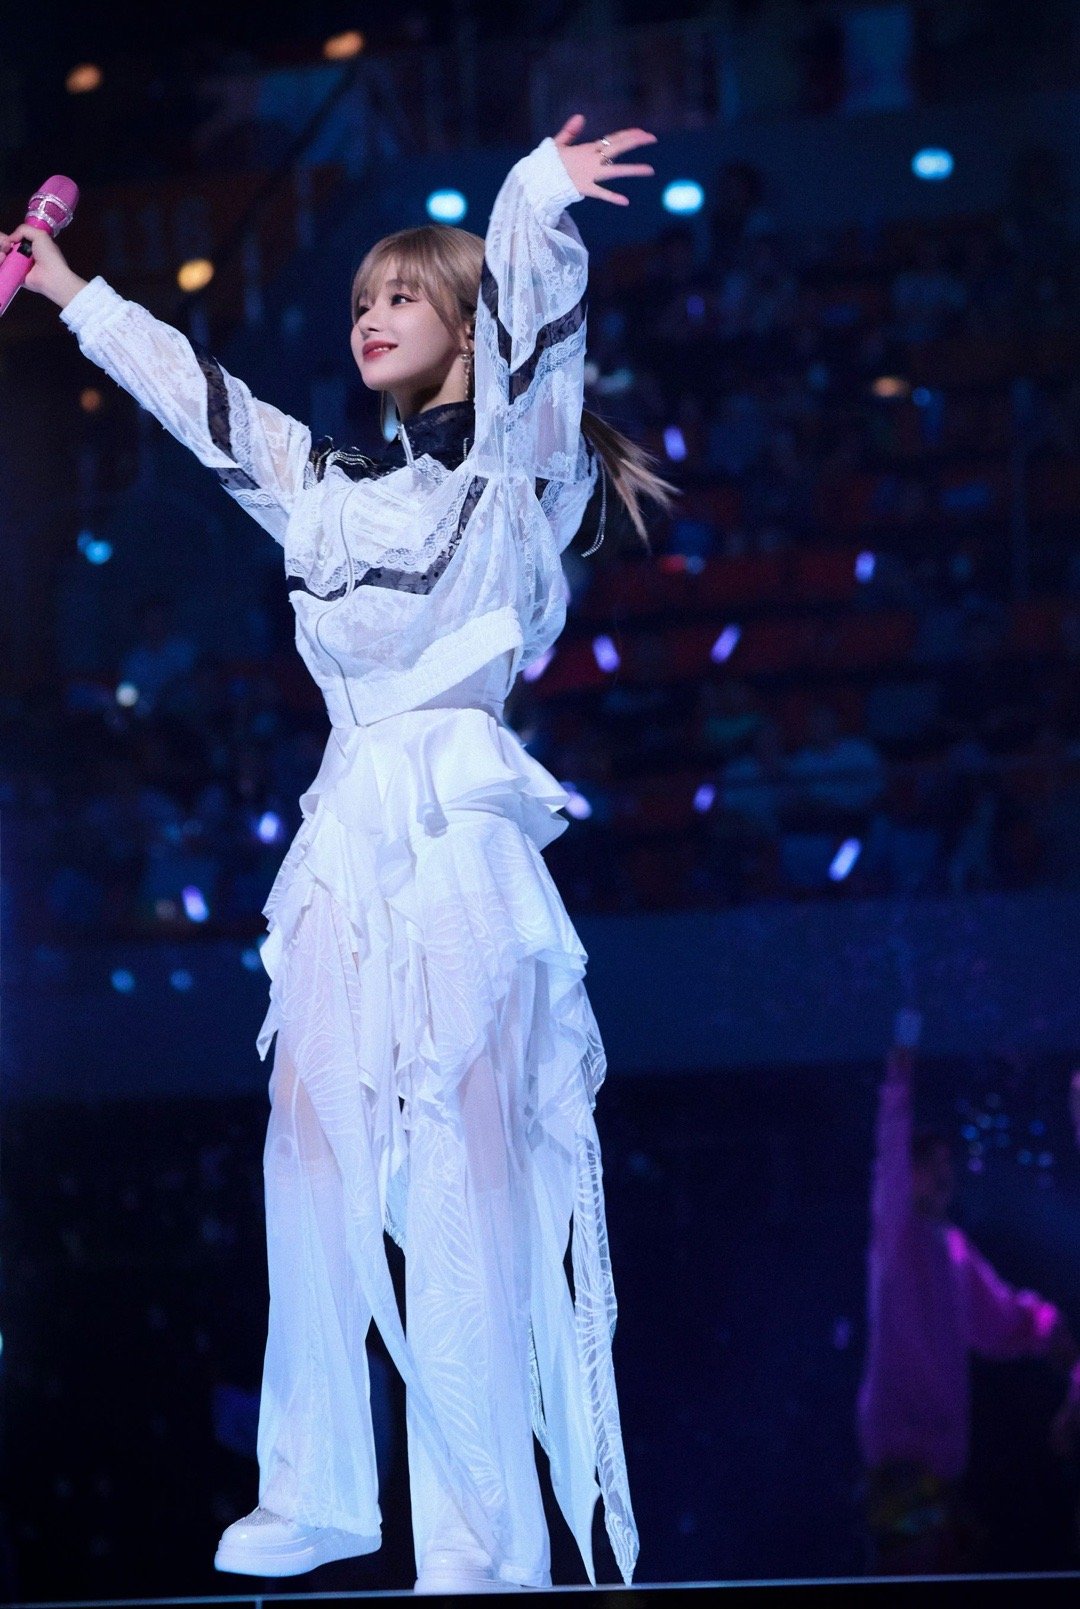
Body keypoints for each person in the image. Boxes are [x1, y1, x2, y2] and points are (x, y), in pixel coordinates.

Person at [7, 114, 672, 1592]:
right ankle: (317, 1486)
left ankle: (481, 1544)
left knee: (464, 1189)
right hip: (344, 843)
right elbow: (201, 403)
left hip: (458, 841)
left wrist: (531, 194)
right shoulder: (325, 490)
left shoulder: (507, 477)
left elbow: (539, 351)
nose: (371, 313)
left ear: (464, 326)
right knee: (306, 1143)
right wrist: (66, 290)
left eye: (405, 294)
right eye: (363, 295)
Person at [858, 1010, 1079, 1573]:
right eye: (930, 1166)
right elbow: (889, 1152)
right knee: (912, 1578)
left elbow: (1002, 1318)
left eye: (947, 1165)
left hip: (941, 1469)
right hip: (901, 1462)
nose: (944, 1175)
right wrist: (900, 1071)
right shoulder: (895, 1235)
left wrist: (1049, 1330)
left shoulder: (954, 1250)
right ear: (908, 1175)